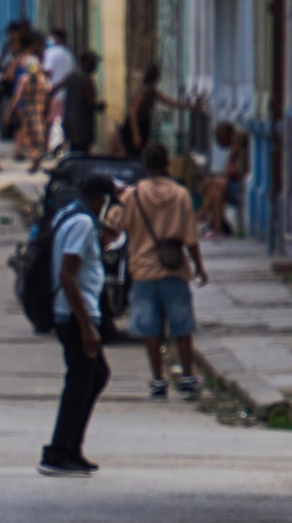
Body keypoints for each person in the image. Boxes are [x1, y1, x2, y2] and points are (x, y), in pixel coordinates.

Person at [39, 175, 121, 476]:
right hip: (75, 314)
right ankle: (59, 452)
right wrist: (86, 326)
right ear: (102, 199)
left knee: (95, 376)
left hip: (76, 312)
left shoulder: (71, 214)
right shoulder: (83, 223)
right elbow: (67, 275)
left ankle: (70, 447)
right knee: (81, 382)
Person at [118, 142, 208, 400]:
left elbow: (119, 223)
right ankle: (188, 377)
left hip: (144, 270)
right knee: (182, 326)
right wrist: (199, 267)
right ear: (167, 164)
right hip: (174, 269)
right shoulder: (181, 195)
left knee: (151, 329)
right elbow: (191, 237)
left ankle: (158, 380)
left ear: (145, 166)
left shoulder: (133, 195)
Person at [119, 63, 193, 157]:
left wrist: (188, 106)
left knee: (139, 154)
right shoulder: (144, 91)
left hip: (144, 125)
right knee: (134, 155)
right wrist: (136, 135)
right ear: (155, 76)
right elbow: (133, 112)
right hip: (136, 126)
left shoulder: (151, 90)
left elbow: (169, 101)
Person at [198, 122, 248, 236]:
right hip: (231, 183)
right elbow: (228, 171)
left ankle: (208, 217)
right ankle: (217, 224)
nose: (218, 142)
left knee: (216, 189)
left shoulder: (238, 150)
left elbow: (235, 171)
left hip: (238, 186)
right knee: (211, 186)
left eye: (219, 138)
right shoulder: (233, 150)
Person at [8, 52, 51, 173]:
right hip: (40, 112)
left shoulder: (24, 80)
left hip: (27, 112)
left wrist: (9, 111)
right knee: (39, 137)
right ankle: (36, 159)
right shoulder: (43, 80)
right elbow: (49, 94)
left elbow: (17, 97)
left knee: (28, 138)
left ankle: (34, 158)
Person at [54, 50, 102, 154]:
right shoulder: (86, 79)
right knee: (82, 152)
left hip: (70, 122)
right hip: (82, 125)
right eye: (92, 62)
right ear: (83, 62)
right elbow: (90, 102)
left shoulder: (72, 75)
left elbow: (56, 88)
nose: (95, 66)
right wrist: (99, 106)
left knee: (74, 151)